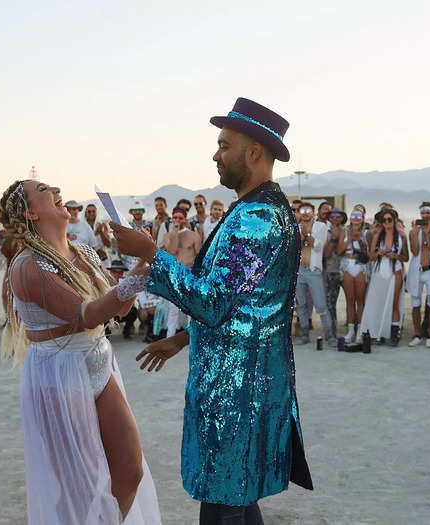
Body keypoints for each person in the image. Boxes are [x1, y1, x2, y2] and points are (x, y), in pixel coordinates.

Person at [112, 97, 312, 524]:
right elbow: (244, 304)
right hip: (244, 385)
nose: (216, 154)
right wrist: (183, 338)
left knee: (224, 502)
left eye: (224, 145)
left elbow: (216, 302)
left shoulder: (257, 218)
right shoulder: (255, 210)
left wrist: (151, 253)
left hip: (236, 391)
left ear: (253, 152)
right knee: (237, 497)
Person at [0, 179, 161, 524]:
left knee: (130, 471)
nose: (56, 189)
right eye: (43, 189)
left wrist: (141, 268)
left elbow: (117, 308)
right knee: (80, 484)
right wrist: (140, 268)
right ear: (30, 212)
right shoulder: (27, 266)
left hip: (98, 362)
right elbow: (87, 314)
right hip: (59, 373)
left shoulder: (83, 252)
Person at [360, 208, 409, 345]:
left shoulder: (401, 237)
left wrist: (395, 256)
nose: (387, 222)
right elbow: (371, 257)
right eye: (384, 220)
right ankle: (379, 334)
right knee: (379, 303)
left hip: (395, 271)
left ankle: (394, 334)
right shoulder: (377, 236)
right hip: (379, 271)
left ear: (394, 221)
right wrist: (379, 253)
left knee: (394, 303)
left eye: (389, 220)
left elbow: (406, 257)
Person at [294, 202, 336, 347]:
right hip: (299, 271)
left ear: (313, 213)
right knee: (302, 305)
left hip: (314, 271)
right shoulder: (295, 227)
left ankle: (329, 335)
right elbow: (294, 247)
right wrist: (301, 236)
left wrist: (309, 238)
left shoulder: (321, 227)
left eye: (308, 210)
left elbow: (319, 246)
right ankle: (305, 334)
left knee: (321, 304)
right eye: (302, 210)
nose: (305, 213)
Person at [161, 207, 201, 337]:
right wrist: (175, 232)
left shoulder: (194, 235)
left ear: (185, 219)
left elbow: (198, 256)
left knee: (190, 309)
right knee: (173, 309)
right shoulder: (167, 236)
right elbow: (172, 251)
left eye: (180, 217)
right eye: (175, 217)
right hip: (174, 275)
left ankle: (192, 337)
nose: (177, 220)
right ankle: (170, 336)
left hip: (189, 274)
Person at [407, 202, 430, 348]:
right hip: (417, 268)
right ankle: (417, 333)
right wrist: (415, 233)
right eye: (423, 213)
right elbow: (414, 251)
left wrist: (427, 234)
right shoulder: (414, 230)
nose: (425, 215)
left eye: (428, 213)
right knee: (415, 302)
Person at [336, 207, 369, 342]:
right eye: (353, 215)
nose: (356, 218)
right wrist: (350, 238)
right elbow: (339, 251)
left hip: (360, 266)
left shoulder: (366, 233)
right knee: (350, 300)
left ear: (362, 218)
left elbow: (368, 252)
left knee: (360, 300)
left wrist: (359, 239)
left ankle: (360, 331)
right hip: (347, 265)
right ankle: (350, 330)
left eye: (358, 215)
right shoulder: (344, 232)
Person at [323, 208, 346, 337]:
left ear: (343, 218)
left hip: (346, 270)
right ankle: (332, 332)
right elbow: (326, 255)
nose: (335, 218)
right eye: (333, 215)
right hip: (332, 271)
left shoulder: (347, 232)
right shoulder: (326, 232)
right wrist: (333, 239)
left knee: (353, 301)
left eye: (338, 215)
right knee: (330, 303)